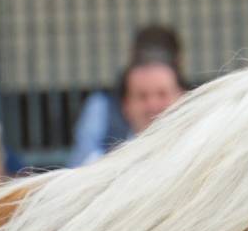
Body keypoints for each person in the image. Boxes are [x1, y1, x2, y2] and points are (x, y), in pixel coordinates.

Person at [72, 25, 183, 166]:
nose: (152, 105)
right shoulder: (101, 109)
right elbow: (81, 168)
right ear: (125, 104)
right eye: (142, 96)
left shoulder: (197, 141)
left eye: (162, 94)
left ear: (182, 97)